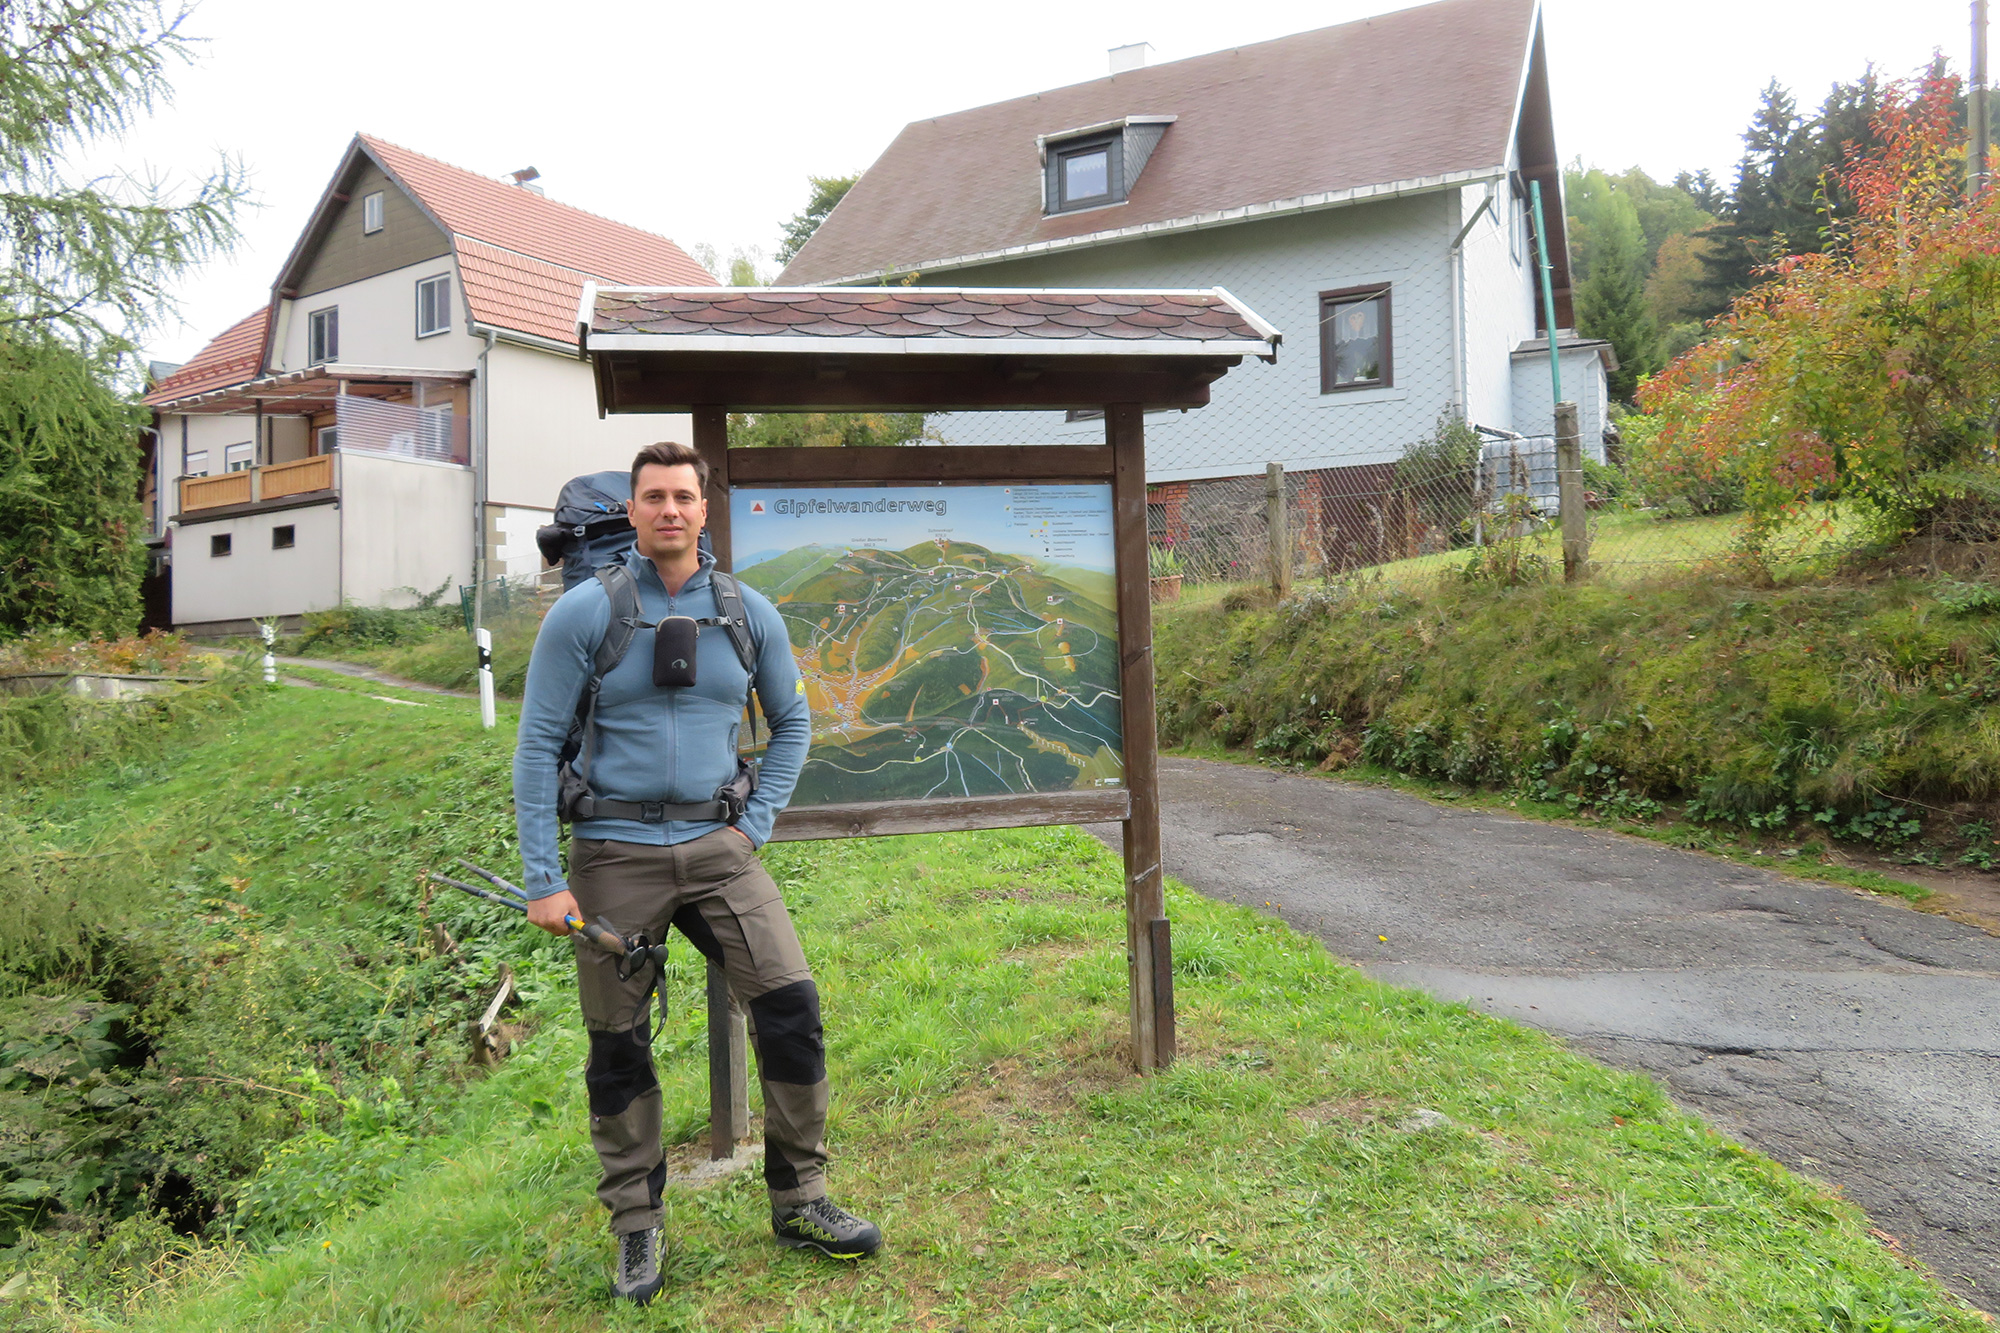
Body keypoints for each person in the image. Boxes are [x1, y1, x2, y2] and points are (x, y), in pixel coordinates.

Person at [513, 441, 880, 1306]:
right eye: (653, 498)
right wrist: (542, 879)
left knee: (791, 1004)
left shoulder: (749, 614)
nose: (669, 510)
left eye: (683, 496)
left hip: (719, 848)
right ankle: (637, 1228)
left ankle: (801, 1198)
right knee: (618, 1044)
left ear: (703, 510)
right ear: (634, 512)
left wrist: (753, 824)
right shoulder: (583, 617)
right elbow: (534, 748)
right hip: (611, 851)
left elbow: (792, 722)